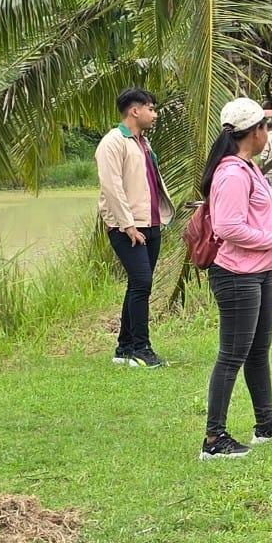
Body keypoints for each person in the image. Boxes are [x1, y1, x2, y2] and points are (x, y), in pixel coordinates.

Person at [199, 98, 272, 460]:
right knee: (232, 354)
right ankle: (214, 439)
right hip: (236, 275)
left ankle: (265, 423)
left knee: (258, 350)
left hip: (259, 271)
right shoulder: (231, 174)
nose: (269, 134)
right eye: (267, 127)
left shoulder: (248, 168)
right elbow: (228, 227)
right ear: (254, 132)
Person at [96, 87, 174, 368]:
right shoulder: (113, 142)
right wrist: (128, 225)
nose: (154, 114)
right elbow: (112, 187)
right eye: (151, 109)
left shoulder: (143, 142)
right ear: (134, 110)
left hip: (150, 224)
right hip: (127, 227)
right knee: (142, 283)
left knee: (138, 285)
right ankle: (142, 348)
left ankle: (124, 348)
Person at [256, 99, 272, 193]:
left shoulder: (268, 138)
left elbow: (264, 154)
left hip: (269, 167)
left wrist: (261, 165)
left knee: (271, 190)